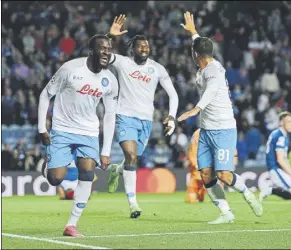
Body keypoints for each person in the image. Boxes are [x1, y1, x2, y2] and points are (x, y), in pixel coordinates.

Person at [178, 12, 262, 224]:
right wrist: (193, 32)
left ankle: (247, 193)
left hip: (223, 129)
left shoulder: (214, 71)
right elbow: (198, 44)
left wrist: (195, 109)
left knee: (224, 175)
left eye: (193, 53)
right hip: (206, 130)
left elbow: (211, 91)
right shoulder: (205, 61)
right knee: (206, 174)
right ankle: (226, 213)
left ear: (196, 56)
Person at [38, 34, 119, 237]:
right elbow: (45, 94)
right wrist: (42, 128)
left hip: (89, 132)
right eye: (102, 48)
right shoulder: (70, 69)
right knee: (56, 179)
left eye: (109, 49)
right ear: (91, 51)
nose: (107, 53)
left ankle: (71, 225)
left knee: (87, 174)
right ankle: (48, 164)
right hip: (62, 129)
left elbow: (110, 114)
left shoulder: (110, 80)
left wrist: (106, 149)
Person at [106, 15, 179, 218]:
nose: (145, 49)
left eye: (147, 46)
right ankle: (133, 203)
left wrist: (172, 117)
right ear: (133, 49)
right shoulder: (122, 63)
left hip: (146, 120)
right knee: (131, 155)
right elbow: (99, 53)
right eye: (140, 46)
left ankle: (117, 170)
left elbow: (173, 94)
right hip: (124, 116)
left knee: (133, 158)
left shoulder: (157, 69)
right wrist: (109, 37)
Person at [259, 111, 291, 201]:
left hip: (277, 169)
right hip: (276, 169)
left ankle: (271, 190)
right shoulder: (280, 136)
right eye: (288, 122)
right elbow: (280, 160)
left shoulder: (278, 134)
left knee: (289, 196)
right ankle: (271, 190)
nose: (290, 124)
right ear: (281, 122)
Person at [185, 129, 206, 203]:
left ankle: (200, 195)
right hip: (198, 163)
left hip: (206, 162)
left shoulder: (211, 131)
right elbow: (193, 149)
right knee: (196, 179)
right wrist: (195, 163)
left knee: (205, 180)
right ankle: (193, 196)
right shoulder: (198, 133)